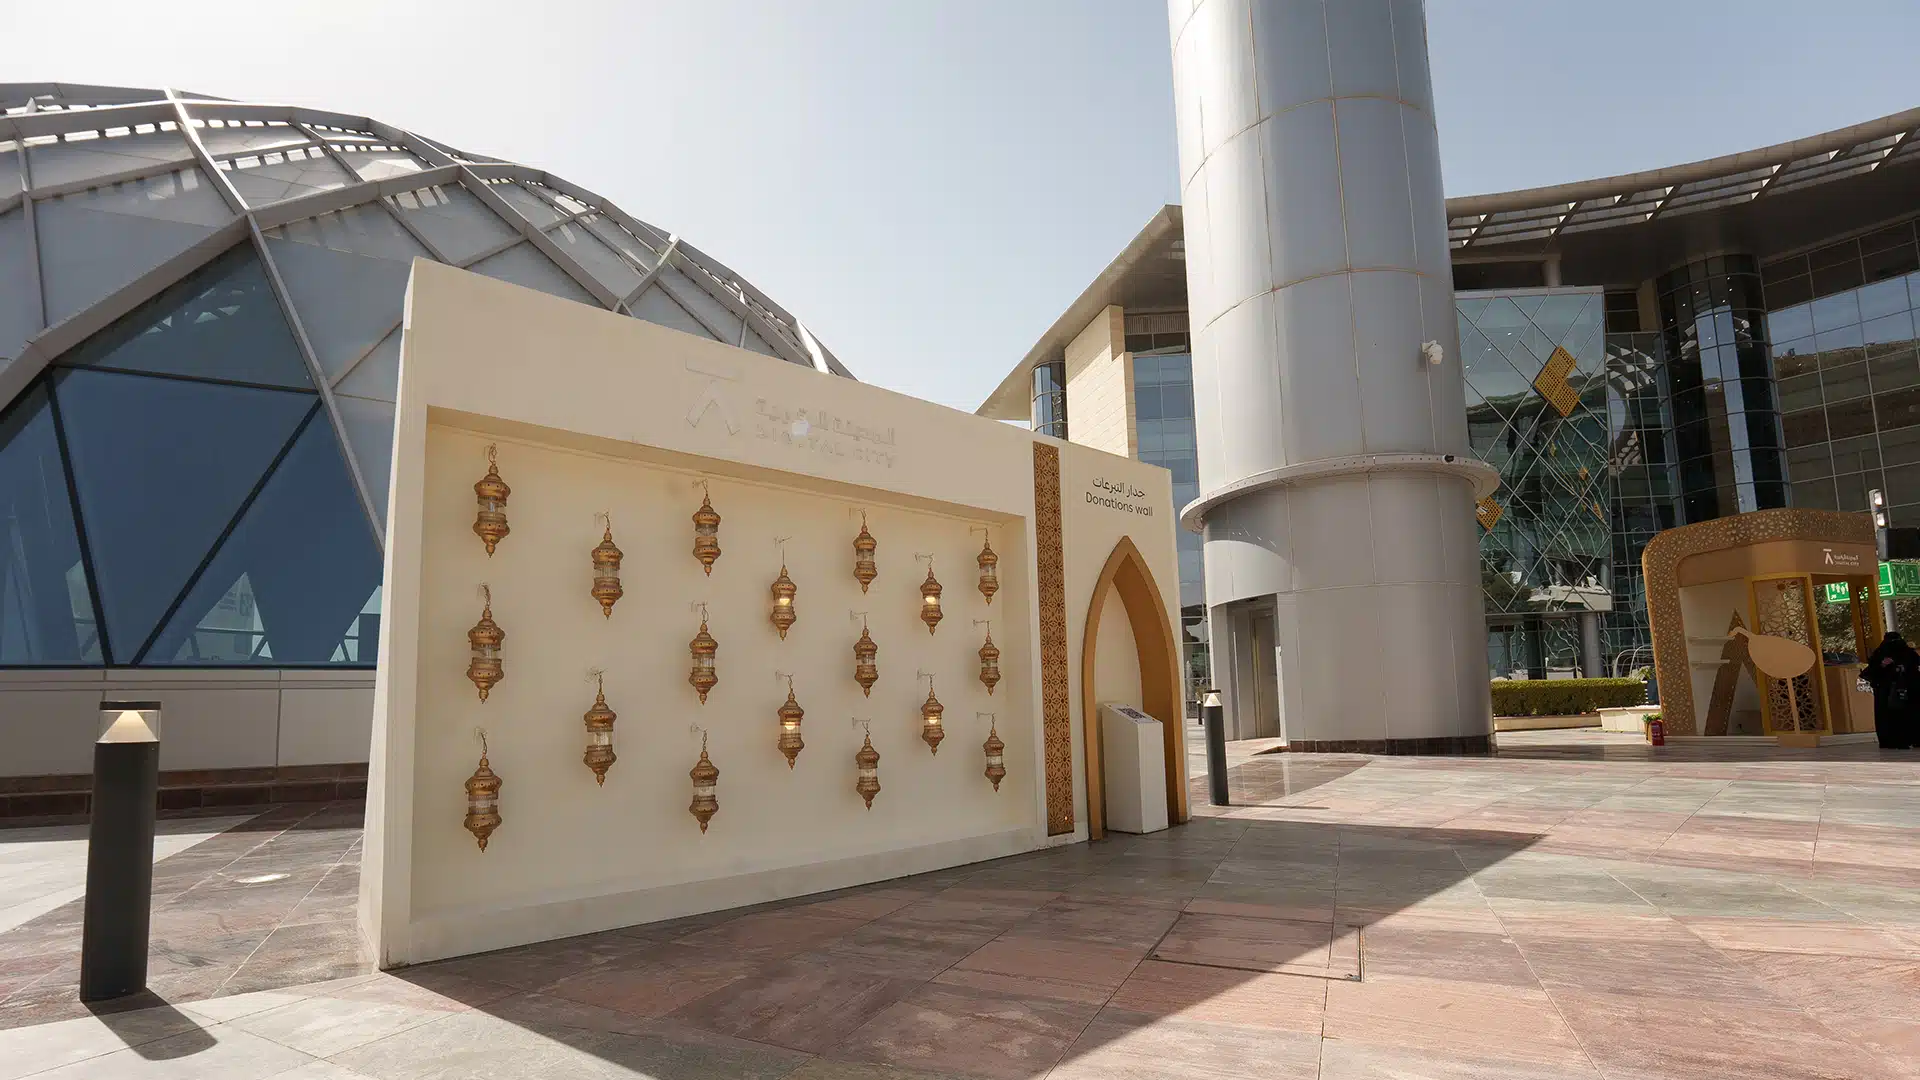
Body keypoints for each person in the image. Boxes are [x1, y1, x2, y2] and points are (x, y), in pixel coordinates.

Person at [1863, 631, 1918, 750]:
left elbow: (1914, 668)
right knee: (1889, 716)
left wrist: (1902, 667)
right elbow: (1872, 672)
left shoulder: (1908, 654)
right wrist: (1882, 665)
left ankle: (1910, 739)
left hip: (1906, 691)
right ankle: (1892, 741)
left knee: (1908, 715)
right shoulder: (1879, 655)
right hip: (1886, 693)